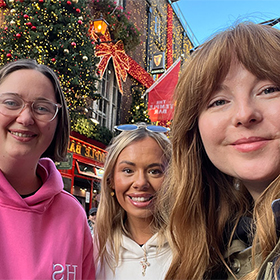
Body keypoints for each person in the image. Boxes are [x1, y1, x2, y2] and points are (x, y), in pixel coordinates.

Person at [160, 21, 280, 280]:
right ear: (195, 131)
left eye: (269, 89)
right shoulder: (214, 241)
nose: (244, 114)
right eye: (219, 101)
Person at [0, 59, 95, 279]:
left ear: (56, 123)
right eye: (11, 103)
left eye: (42, 108)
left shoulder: (72, 215)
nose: (25, 118)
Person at [93, 123, 172, 279]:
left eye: (154, 171)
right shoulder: (94, 251)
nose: (141, 182)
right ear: (111, 180)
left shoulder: (194, 245)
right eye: (128, 171)